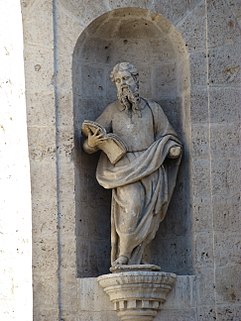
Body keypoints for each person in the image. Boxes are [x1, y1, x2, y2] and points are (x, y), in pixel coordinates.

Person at [83, 62, 182, 267]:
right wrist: (91, 143)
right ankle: (124, 256)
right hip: (123, 168)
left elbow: (167, 134)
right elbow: (91, 140)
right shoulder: (111, 111)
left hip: (151, 164)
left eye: (126, 79)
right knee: (133, 204)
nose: (123, 84)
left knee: (149, 212)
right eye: (118, 81)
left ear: (136, 80)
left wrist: (171, 148)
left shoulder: (153, 109)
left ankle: (140, 256)